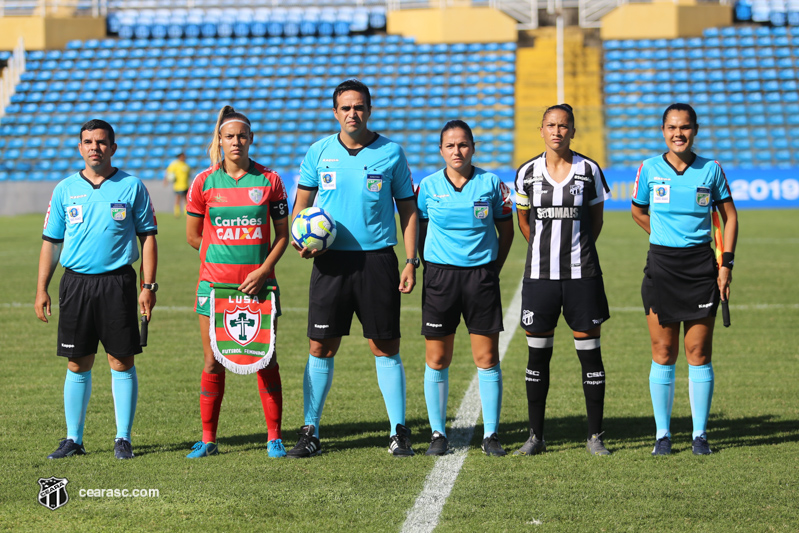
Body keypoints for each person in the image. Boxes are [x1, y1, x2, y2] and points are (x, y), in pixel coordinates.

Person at [288, 79, 418, 458]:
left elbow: (408, 210)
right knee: (320, 346)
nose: (352, 113)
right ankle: (310, 430)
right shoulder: (318, 152)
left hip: (377, 260)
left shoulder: (391, 152)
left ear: (369, 110)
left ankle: (398, 431)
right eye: (345, 108)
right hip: (330, 262)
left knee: (385, 345)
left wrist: (411, 261)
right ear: (335, 112)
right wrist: (301, 239)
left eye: (359, 107)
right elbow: (301, 208)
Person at [36, 119, 158, 460]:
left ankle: (123, 439)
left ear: (113, 148)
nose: (95, 147)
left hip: (118, 282)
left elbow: (148, 238)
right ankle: (73, 439)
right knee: (77, 363)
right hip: (75, 284)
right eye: (88, 142)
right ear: (80, 148)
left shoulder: (131, 186)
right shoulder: (64, 189)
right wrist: (41, 288)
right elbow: (51, 242)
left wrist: (148, 285)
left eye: (102, 142)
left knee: (121, 360)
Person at [631, 103, 738, 456]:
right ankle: (663, 435)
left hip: (701, 267)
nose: (679, 133)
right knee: (663, 352)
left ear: (695, 130)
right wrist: (662, 233)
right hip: (661, 266)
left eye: (685, 127)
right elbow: (638, 210)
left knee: (698, 352)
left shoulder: (711, 170)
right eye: (672, 127)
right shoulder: (648, 169)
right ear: (663, 131)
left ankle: (699, 435)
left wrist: (726, 265)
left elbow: (729, 217)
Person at [184, 105, 290, 459]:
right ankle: (209, 439)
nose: (236, 142)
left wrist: (261, 271)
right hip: (214, 288)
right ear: (220, 140)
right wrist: (222, 259)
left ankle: (274, 437)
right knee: (212, 361)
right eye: (229, 136)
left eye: (242, 136)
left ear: (251, 139)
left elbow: (282, 237)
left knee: (266, 359)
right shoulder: (203, 182)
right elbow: (193, 236)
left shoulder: (270, 181)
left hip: (260, 287)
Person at [513, 104, 612, 457]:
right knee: (537, 357)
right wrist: (544, 250)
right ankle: (535, 437)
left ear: (573, 131)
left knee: (590, 355)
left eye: (564, 126)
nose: (557, 131)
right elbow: (524, 222)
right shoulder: (526, 172)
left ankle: (595, 436)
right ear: (541, 130)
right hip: (540, 277)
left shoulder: (589, 170)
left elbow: (595, 220)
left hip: (581, 276)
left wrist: (577, 251)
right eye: (551, 125)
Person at [417, 120, 514, 457]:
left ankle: (491, 435)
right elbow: (418, 229)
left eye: (463, 145)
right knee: (437, 357)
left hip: (481, 279)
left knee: (486, 358)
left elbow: (507, 231)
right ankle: (438, 433)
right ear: (441, 150)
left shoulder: (491, 184)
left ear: (473, 147)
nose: (457, 151)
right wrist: (422, 267)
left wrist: (491, 270)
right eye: (450, 146)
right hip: (440, 279)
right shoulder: (428, 187)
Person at [164, 152, 191, 217]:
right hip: (178, 185)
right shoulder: (175, 164)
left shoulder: (186, 165)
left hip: (185, 185)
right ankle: (177, 212)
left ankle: (186, 212)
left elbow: (188, 175)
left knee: (185, 199)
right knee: (178, 199)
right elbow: (168, 172)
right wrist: (166, 180)